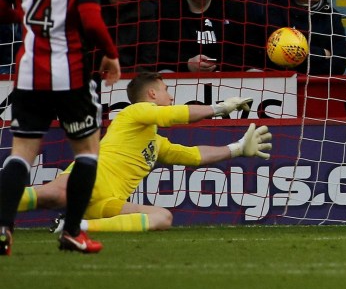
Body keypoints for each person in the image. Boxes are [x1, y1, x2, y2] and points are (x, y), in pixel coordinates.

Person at [0, 0, 122, 255]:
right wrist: (111, 55)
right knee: (86, 152)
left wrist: (20, 18)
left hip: (28, 76)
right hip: (71, 76)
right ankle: (71, 231)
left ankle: (3, 227)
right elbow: (92, 22)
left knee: (21, 153)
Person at [17, 72, 268, 232]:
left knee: (162, 218)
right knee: (53, 196)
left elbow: (195, 156)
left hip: (105, 204)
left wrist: (236, 149)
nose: (170, 96)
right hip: (89, 180)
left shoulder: (156, 143)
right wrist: (219, 108)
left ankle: (76, 226)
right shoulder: (134, 112)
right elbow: (171, 115)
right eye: (166, 90)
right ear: (151, 94)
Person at [269, 0, 346, 76]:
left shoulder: (332, 16)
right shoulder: (278, 10)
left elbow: (339, 63)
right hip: (284, 82)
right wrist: (322, 53)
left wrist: (300, 54)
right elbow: (279, 54)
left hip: (320, 83)